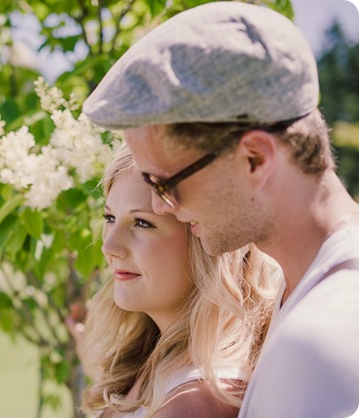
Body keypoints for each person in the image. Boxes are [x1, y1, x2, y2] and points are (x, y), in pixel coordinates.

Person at [82, 2, 359, 417]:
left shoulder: (320, 337)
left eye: (166, 182)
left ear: (254, 160)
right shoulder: (300, 290)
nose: (161, 204)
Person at [67, 144, 276, 417]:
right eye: (110, 217)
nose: (109, 246)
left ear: (206, 243)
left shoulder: (194, 403)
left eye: (142, 223)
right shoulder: (159, 365)